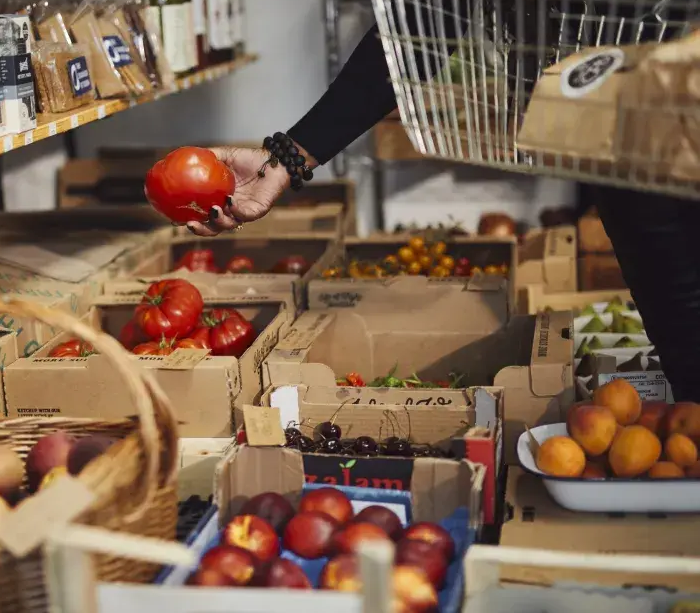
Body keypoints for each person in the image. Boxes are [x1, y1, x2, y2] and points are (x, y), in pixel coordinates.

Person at [186, 21, 700, 403]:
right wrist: (289, 157)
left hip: (665, 109)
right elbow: (416, 29)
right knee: (687, 351)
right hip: (627, 143)